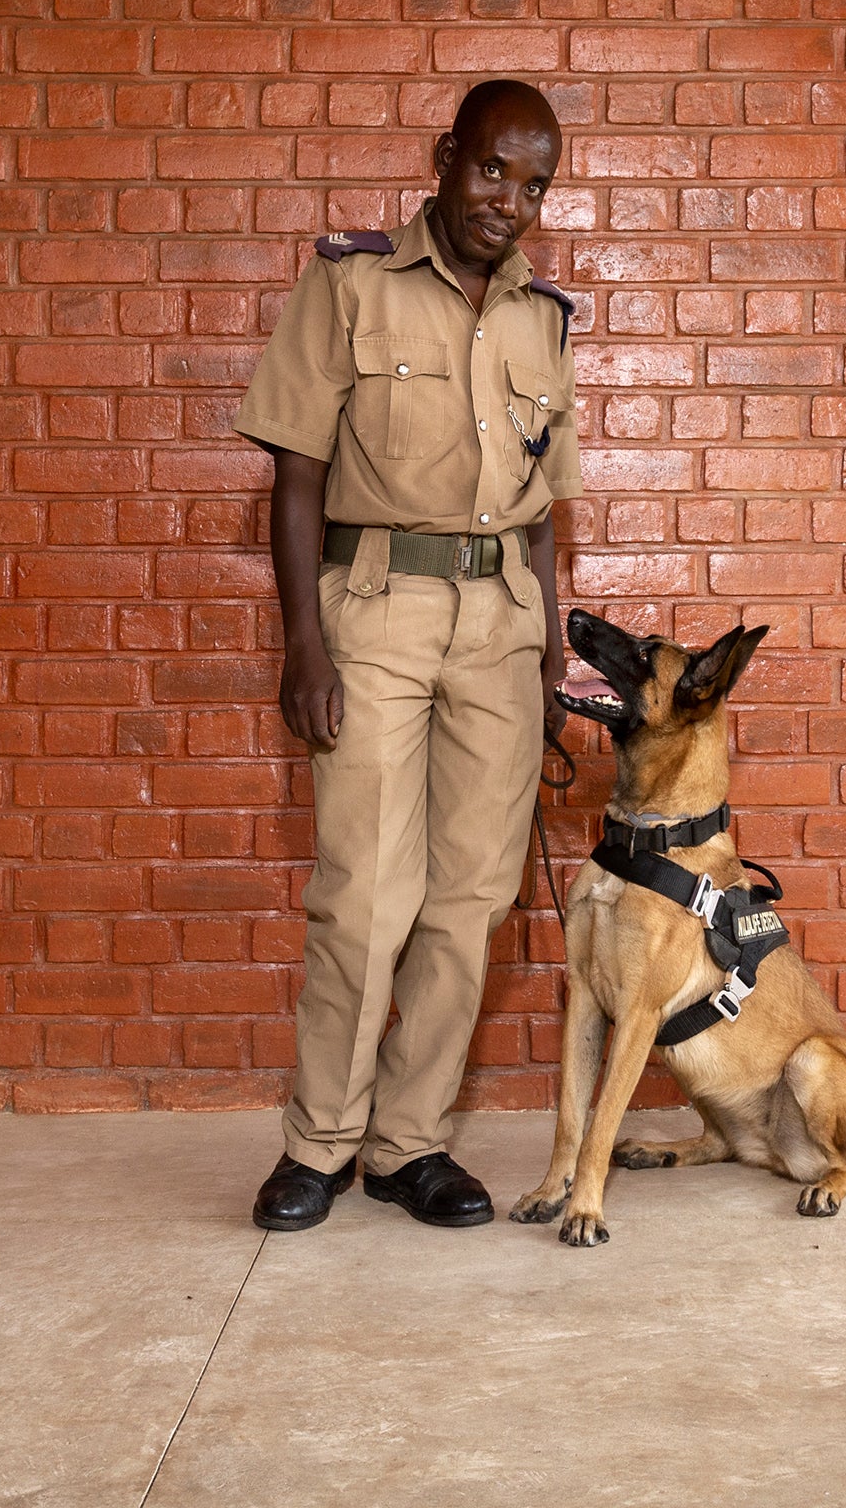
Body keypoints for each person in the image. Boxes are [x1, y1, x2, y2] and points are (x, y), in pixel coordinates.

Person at [229, 78, 583, 1231]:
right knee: (365, 895)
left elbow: (541, 511)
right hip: (374, 608)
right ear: (446, 157)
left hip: (502, 626)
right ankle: (319, 1144)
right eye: (492, 170)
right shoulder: (350, 284)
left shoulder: (543, 319)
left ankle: (409, 1142)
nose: (509, 201)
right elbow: (294, 472)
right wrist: (304, 645)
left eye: (533, 184)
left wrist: (548, 650)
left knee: (473, 898)